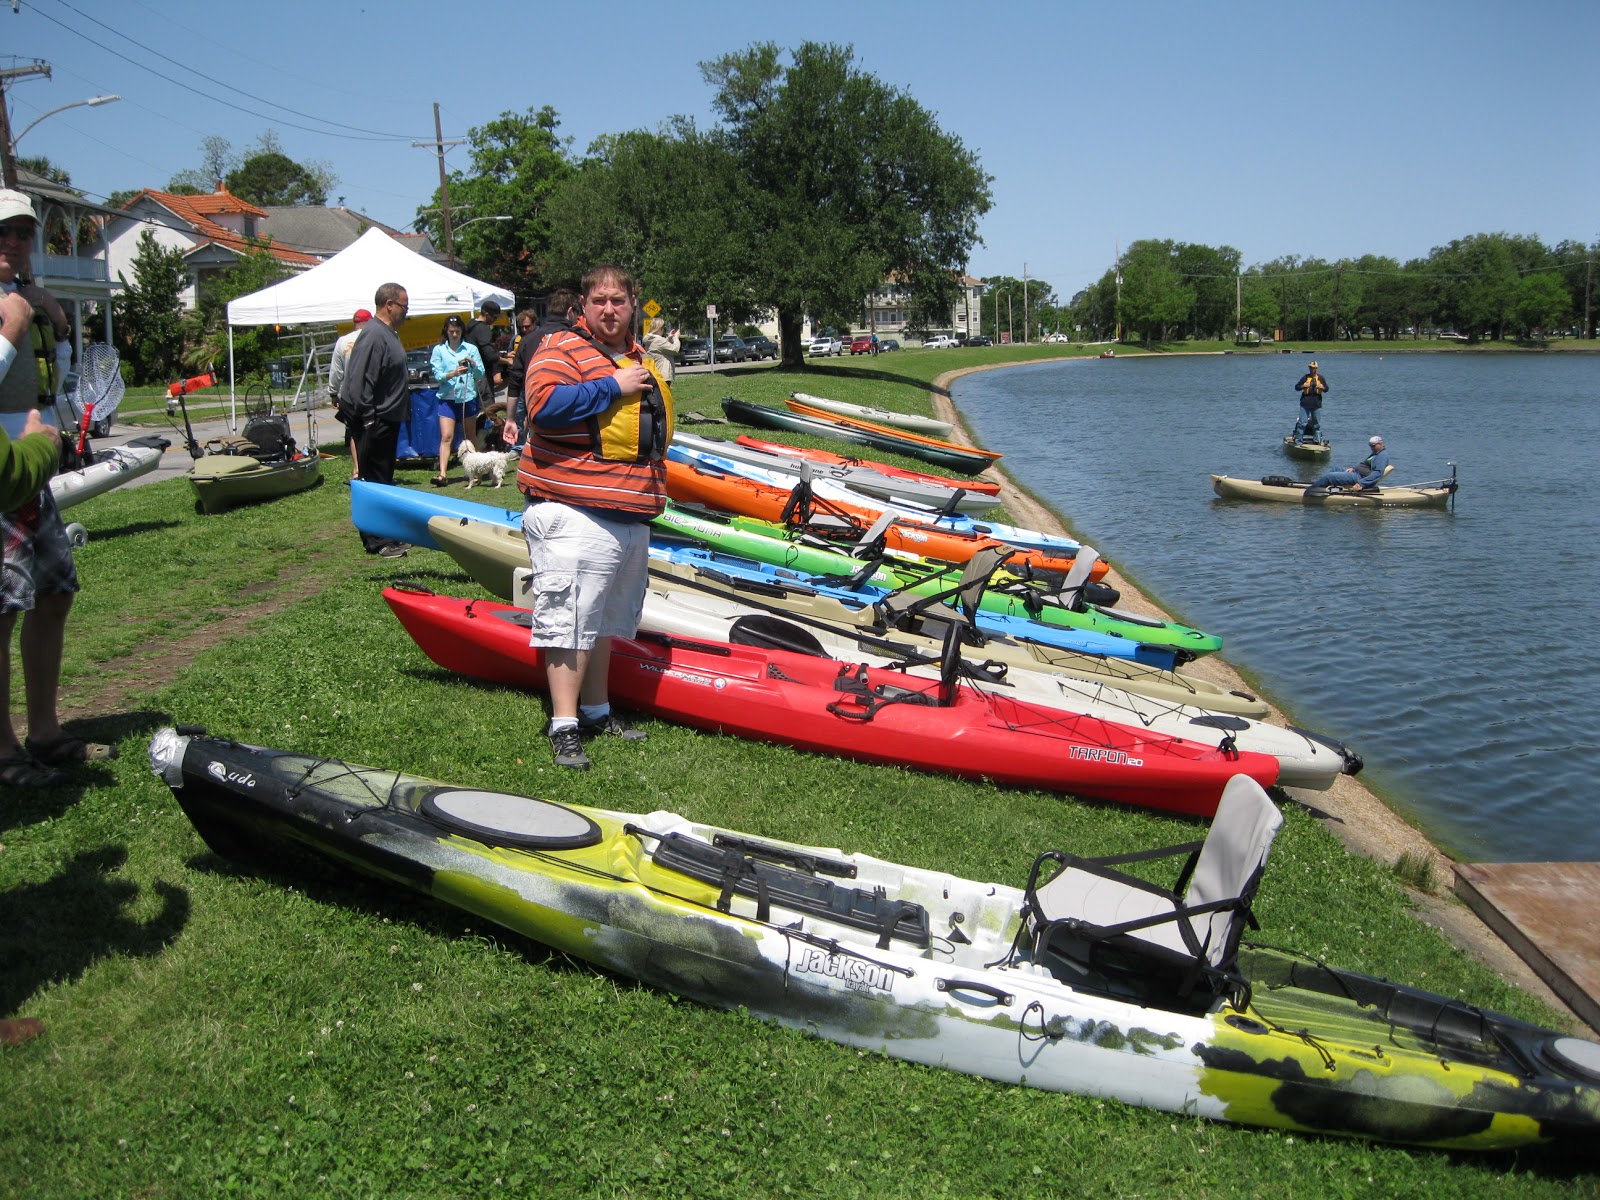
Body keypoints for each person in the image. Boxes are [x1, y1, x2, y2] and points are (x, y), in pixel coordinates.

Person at [518, 265, 673, 770]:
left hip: (627, 512)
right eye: (600, 300)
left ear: (633, 303)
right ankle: (563, 726)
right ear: (582, 305)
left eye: (618, 300)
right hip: (573, 510)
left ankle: (597, 711)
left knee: (603, 622)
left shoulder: (636, 356)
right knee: (570, 621)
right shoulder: (561, 349)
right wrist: (612, 387)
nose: (609, 309)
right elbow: (543, 405)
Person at [0, 187, 113, 791]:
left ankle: (43, 728)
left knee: (54, 594)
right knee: (0, 611)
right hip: (0, 478)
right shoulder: (11, 312)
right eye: (4, 234)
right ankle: (3, 750)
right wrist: (15, 326)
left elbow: (58, 377)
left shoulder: (22, 300)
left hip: (30, 470)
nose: (15, 243)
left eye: (22, 233)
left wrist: (51, 321)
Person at [340, 282, 412, 557]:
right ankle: (376, 540)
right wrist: (368, 418)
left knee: (383, 480)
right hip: (375, 421)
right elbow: (360, 380)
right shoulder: (373, 334)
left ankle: (387, 535)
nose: (407, 312)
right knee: (372, 481)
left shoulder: (388, 333)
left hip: (386, 420)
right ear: (389, 305)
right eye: (404, 306)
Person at [503, 290, 579, 448]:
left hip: (537, 413)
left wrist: (510, 419)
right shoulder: (578, 339)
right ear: (570, 312)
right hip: (571, 414)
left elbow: (515, 383)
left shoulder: (527, 341)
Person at [427, 315, 485, 485]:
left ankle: (477, 472)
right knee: (446, 436)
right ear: (446, 331)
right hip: (447, 399)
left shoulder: (471, 348)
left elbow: (480, 374)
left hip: (467, 397)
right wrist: (452, 373)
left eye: (457, 331)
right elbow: (437, 375)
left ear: (462, 331)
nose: (454, 334)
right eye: (451, 331)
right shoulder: (439, 350)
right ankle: (443, 474)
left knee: (470, 436)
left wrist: (472, 365)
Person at [327, 307, 372, 475]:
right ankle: (371, 468)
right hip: (370, 394)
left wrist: (333, 393)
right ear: (369, 322)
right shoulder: (372, 338)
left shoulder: (342, 342)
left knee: (354, 432)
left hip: (349, 395)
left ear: (355, 323)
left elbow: (336, 371)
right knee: (371, 431)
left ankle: (357, 469)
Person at [1312, 435, 1390, 491]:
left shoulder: (1382, 456)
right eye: (1370, 445)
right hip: (1357, 473)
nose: (1371, 447)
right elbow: (1364, 464)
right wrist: (1354, 468)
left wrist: (1361, 483)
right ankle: (1327, 487)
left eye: (1373, 446)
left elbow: (1377, 473)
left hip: (1361, 477)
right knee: (1335, 469)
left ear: (1380, 444)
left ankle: (1312, 490)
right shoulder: (1376, 452)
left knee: (1330, 476)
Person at [463, 299, 502, 409]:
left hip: (471, 375)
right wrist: (506, 361)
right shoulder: (482, 328)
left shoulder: (470, 325)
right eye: (494, 317)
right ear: (486, 314)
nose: (495, 320)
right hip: (482, 375)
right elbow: (489, 355)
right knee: (488, 409)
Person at [1293, 361, 1329, 444]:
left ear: (1316, 369)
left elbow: (1327, 389)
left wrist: (1322, 387)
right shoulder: (1305, 377)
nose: (1311, 369)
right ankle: (1298, 441)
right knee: (1302, 423)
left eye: (1313, 368)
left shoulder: (1320, 378)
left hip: (1316, 404)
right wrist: (1303, 386)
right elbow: (1297, 387)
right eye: (1310, 367)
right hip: (1305, 404)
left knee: (1316, 424)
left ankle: (1317, 441)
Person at [642, 317, 680, 384]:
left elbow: (660, 347)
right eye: (663, 327)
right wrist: (676, 338)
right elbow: (675, 349)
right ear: (659, 328)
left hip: (656, 372)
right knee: (664, 394)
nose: (664, 329)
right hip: (663, 374)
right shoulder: (659, 340)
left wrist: (668, 338)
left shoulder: (650, 339)